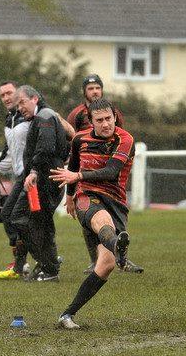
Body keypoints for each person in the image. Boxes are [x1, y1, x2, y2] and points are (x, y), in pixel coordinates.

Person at [50, 98, 135, 329]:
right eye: (100, 120)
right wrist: (69, 196)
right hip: (87, 196)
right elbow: (74, 168)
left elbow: (111, 171)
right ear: (91, 121)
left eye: (109, 118)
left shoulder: (125, 139)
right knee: (102, 221)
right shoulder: (80, 139)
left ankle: (67, 314)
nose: (106, 124)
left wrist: (76, 177)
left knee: (105, 265)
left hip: (116, 200)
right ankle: (118, 244)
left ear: (115, 117)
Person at [66, 74, 143, 275]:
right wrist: (70, 193)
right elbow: (73, 154)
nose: (94, 91)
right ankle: (97, 260)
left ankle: (120, 256)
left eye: (97, 87)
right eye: (90, 88)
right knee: (91, 216)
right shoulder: (76, 119)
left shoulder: (118, 124)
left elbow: (119, 145)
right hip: (86, 180)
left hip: (109, 178)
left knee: (114, 228)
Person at [11, 85, 68, 282]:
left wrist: (34, 170)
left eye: (22, 103)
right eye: (17, 105)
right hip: (43, 180)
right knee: (34, 221)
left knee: (25, 218)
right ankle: (48, 263)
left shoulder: (44, 116)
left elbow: (45, 147)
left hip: (45, 181)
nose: (19, 108)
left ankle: (50, 267)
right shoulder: (44, 116)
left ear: (34, 98)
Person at [0, 81, 32, 279]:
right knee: (12, 215)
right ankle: (25, 262)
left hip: (33, 176)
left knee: (14, 215)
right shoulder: (10, 118)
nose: (6, 98)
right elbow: (10, 151)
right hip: (21, 176)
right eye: (2, 95)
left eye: (9, 93)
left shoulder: (31, 116)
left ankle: (32, 262)